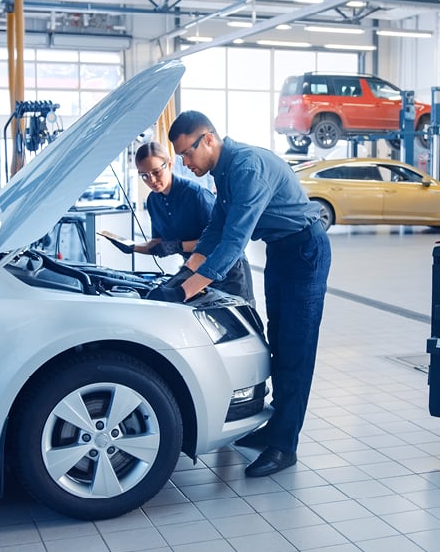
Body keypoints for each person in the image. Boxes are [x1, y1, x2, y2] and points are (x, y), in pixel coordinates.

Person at [155, 111, 330, 478]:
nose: (185, 164)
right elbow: (214, 232)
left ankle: (285, 446)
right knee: (279, 342)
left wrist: (187, 290)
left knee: (296, 347)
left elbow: (234, 242)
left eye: (186, 153)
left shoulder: (247, 168)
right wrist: (180, 277)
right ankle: (277, 426)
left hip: (305, 252)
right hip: (282, 251)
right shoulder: (224, 171)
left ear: (208, 140)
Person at [133, 142, 253, 304]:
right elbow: (159, 242)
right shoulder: (153, 200)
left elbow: (219, 239)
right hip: (192, 269)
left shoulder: (196, 195)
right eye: (144, 175)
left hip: (227, 270)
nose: (151, 180)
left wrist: (177, 246)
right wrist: (132, 247)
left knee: (238, 321)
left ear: (169, 164)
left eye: (156, 172)